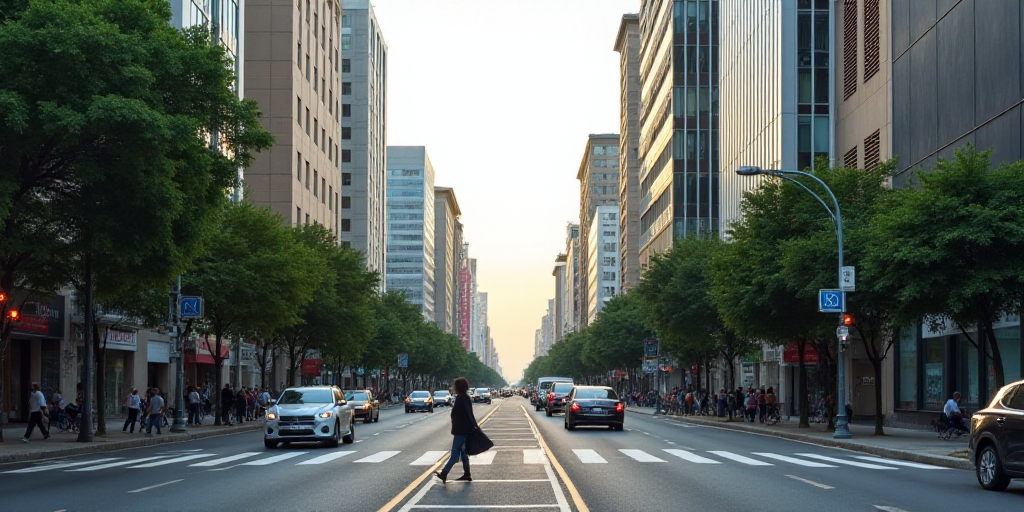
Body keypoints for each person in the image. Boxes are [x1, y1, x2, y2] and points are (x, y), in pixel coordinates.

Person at [434, 377, 477, 484]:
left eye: (455, 386)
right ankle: (467, 474)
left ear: (459, 387)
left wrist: (474, 426)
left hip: (461, 431)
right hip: (462, 430)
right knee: (463, 453)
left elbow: (467, 414)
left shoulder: (462, 398)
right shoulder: (463, 397)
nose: (453, 387)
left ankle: (444, 473)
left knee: (455, 453)